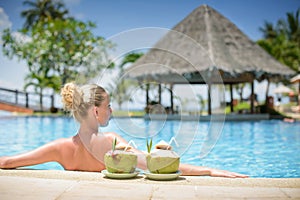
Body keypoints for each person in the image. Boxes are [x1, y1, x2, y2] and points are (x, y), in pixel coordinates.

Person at [0, 83, 248, 178]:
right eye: (108, 106)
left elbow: (10, 162)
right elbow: (153, 165)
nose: (111, 111)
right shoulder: (111, 141)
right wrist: (209, 170)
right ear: (95, 111)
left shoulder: (59, 148)